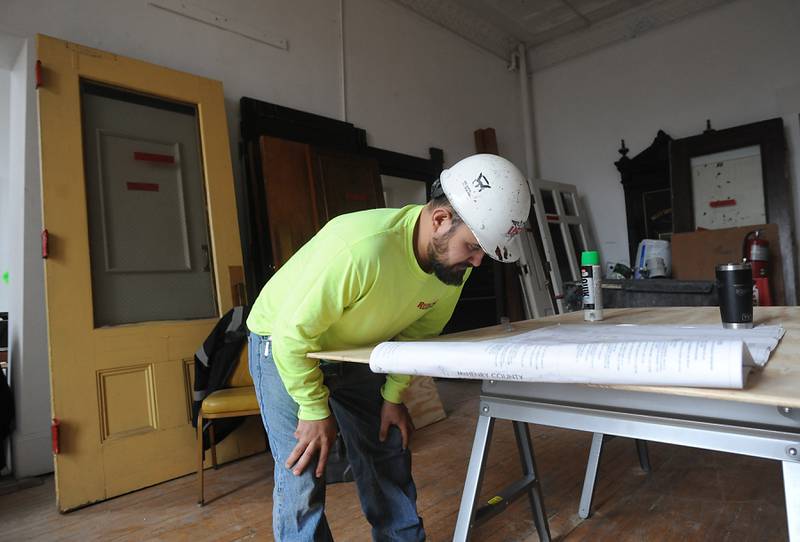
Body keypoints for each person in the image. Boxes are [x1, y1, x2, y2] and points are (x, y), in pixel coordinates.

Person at [246, 153, 531, 541]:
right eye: (474, 246)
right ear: (440, 220)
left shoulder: (451, 268)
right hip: (282, 344)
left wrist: (393, 396)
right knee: (304, 469)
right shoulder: (362, 248)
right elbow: (292, 336)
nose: (478, 262)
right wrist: (313, 408)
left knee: (386, 451)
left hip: (359, 348)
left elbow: (416, 336)